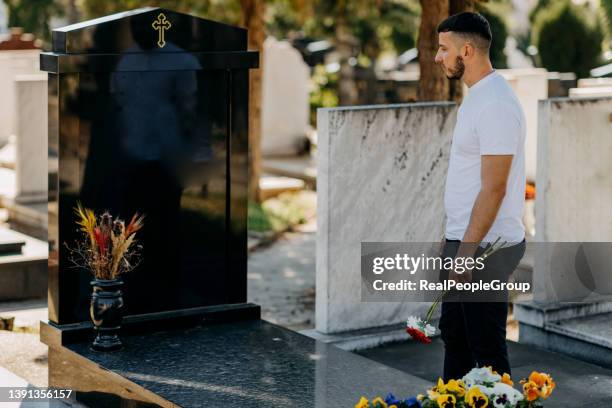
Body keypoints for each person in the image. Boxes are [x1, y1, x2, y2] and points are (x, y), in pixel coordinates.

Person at [434, 12, 527, 381]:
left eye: (444, 49)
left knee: (487, 352)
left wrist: (466, 252)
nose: (438, 57)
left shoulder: (496, 104)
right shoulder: (477, 97)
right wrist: (451, 237)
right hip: (466, 240)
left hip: (486, 248)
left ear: (467, 50)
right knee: (456, 338)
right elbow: (470, 179)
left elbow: (494, 187)